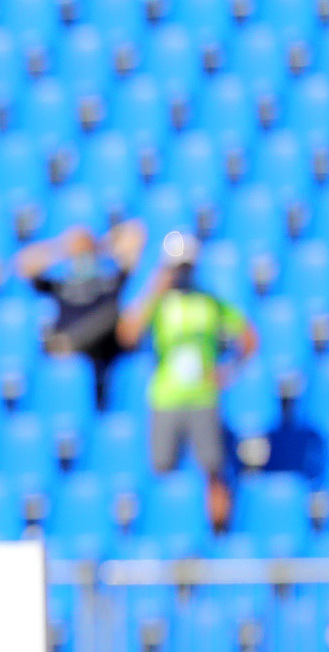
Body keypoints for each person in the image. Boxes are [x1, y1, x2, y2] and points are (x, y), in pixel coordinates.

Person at [118, 231, 258, 530]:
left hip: (203, 397)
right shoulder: (157, 303)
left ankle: (218, 535)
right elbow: (128, 334)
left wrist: (228, 371)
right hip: (166, 398)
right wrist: (154, 289)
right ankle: (169, 532)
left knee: (212, 469)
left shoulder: (210, 303)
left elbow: (248, 338)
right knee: (163, 471)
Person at [17, 217, 146, 401]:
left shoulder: (108, 282)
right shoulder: (61, 285)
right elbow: (23, 264)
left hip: (102, 351)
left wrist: (97, 245)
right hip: (69, 355)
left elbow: (136, 235)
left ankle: (72, 342)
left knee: (114, 314)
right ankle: (71, 342)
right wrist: (63, 247)